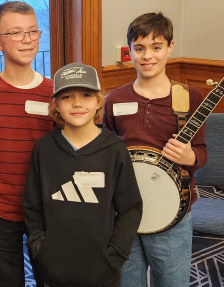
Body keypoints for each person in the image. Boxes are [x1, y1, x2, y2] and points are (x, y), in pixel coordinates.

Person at [103, 12, 207, 287]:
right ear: (130, 52)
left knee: (172, 280)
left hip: (173, 213)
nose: (148, 56)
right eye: (139, 49)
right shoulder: (115, 99)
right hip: (124, 211)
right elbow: (107, 149)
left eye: (156, 47)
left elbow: (201, 150)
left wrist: (190, 157)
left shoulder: (189, 97)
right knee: (127, 280)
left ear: (170, 47)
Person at [23, 63, 143, 287]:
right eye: (67, 97)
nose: (77, 103)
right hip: (51, 269)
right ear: (56, 105)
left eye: (86, 95)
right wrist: (40, 248)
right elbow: (32, 206)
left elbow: (130, 209)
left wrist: (114, 257)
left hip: (102, 272)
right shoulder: (44, 149)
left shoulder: (115, 149)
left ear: (98, 101)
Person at [0, 1, 54, 286]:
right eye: (15, 33)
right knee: (8, 277)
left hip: (47, 204)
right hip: (1, 205)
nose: (27, 40)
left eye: (33, 31)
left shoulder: (56, 93)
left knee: (50, 272)